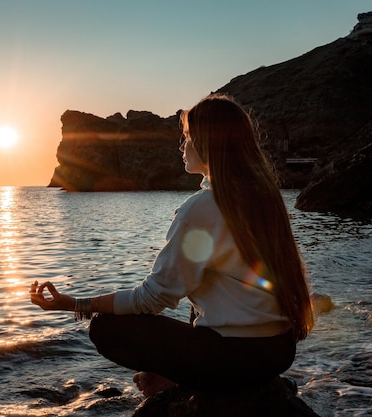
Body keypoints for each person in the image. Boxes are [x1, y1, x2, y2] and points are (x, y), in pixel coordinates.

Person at [30, 94, 314, 398]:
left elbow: (153, 297)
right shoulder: (265, 197)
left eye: (188, 137)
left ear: (208, 143)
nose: (182, 146)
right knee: (199, 295)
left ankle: (181, 381)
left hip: (236, 359)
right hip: (279, 351)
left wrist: (76, 303)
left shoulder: (202, 208)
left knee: (106, 327)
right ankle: (213, 380)